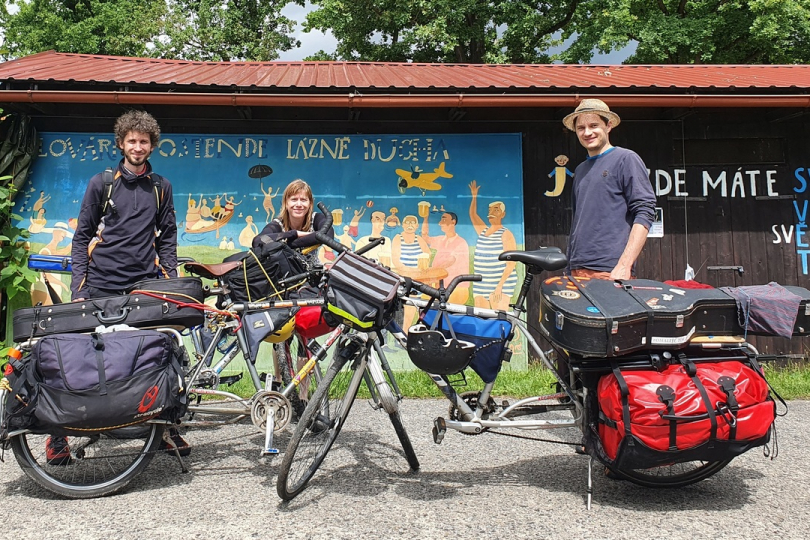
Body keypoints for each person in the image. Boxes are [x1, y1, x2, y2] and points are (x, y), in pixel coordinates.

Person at [63, 110, 186, 462]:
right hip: (100, 283)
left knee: (157, 354)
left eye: (143, 141)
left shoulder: (161, 187)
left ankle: (164, 428)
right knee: (87, 360)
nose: (137, 146)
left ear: (152, 145)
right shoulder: (102, 183)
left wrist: (170, 278)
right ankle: (62, 433)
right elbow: (81, 237)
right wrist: (79, 287)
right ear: (121, 143)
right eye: (131, 140)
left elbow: (167, 237)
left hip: (142, 285)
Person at [253, 179, 334, 400]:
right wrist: (293, 235)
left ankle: (304, 395)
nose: (298, 204)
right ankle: (281, 384)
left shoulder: (317, 219)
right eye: (294, 199)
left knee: (304, 339)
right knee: (281, 336)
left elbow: (328, 235)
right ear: (286, 202)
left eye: (303, 199)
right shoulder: (278, 224)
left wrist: (289, 241)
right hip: (283, 286)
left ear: (310, 203)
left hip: (309, 285)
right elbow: (259, 241)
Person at [562, 99, 656, 280]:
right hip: (577, 269)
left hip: (610, 270)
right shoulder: (581, 170)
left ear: (608, 126)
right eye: (581, 128)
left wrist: (624, 265)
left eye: (594, 125)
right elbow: (578, 222)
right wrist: (569, 268)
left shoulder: (626, 159)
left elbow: (645, 211)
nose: (587, 132)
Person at [468, 181, 518, 310]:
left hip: (499, 282)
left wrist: (500, 286)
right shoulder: (483, 231)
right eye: (490, 210)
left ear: (503, 214)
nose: (492, 212)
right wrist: (474, 196)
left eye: (496, 210)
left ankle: (515, 331)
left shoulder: (506, 234)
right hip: (481, 282)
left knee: (500, 319)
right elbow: (473, 215)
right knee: (481, 318)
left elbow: (511, 263)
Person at [421, 211, 470, 304]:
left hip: (456, 288)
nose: (440, 223)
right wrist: (425, 218)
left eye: (444, 220)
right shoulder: (440, 239)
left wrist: (431, 271)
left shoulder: (461, 242)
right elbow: (425, 237)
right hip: (439, 288)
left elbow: (450, 261)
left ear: (453, 222)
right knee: (424, 302)